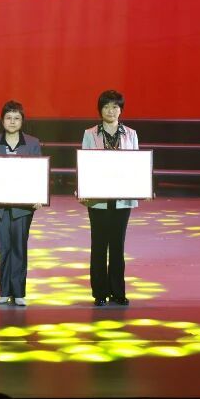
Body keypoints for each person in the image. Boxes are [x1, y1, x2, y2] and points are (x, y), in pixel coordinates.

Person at [0, 100, 42, 307]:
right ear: (2, 120)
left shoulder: (32, 143)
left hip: (23, 206)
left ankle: (19, 292)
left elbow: (38, 173)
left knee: (19, 247)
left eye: (17, 118)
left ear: (22, 121)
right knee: (4, 247)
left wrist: (39, 196)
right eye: (8, 118)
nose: (12, 121)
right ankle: (5, 291)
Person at [81, 88, 139, 307]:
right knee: (98, 245)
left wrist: (141, 188)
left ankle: (117, 291)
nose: (111, 111)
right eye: (106, 106)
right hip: (98, 199)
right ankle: (100, 293)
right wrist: (84, 191)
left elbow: (136, 166)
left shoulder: (131, 134)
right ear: (100, 110)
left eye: (115, 106)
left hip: (122, 199)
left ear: (121, 110)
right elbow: (85, 165)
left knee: (117, 246)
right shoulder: (90, 134)